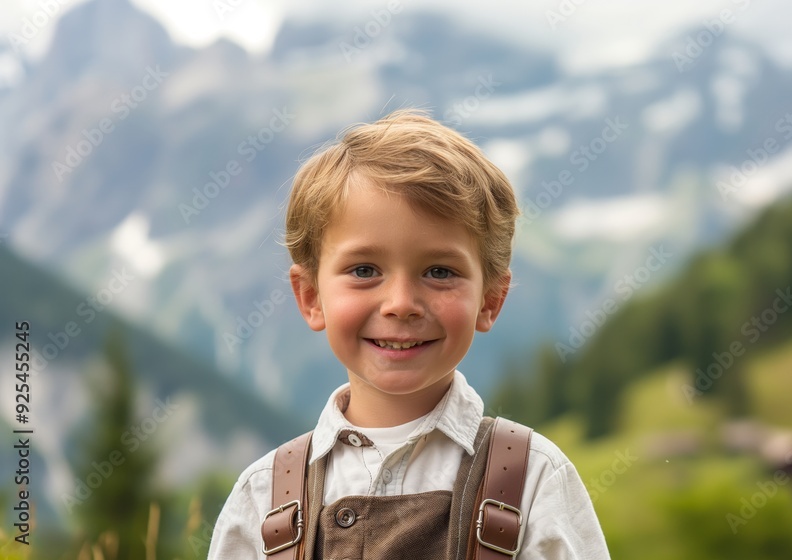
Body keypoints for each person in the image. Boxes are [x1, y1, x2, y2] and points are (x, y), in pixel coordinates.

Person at [207, 109, 611, 559]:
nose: (400, 302)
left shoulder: (534, 480)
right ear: (310, 297)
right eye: (364, 270)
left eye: (439, 271)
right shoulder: (262, 499)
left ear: (490, 299)